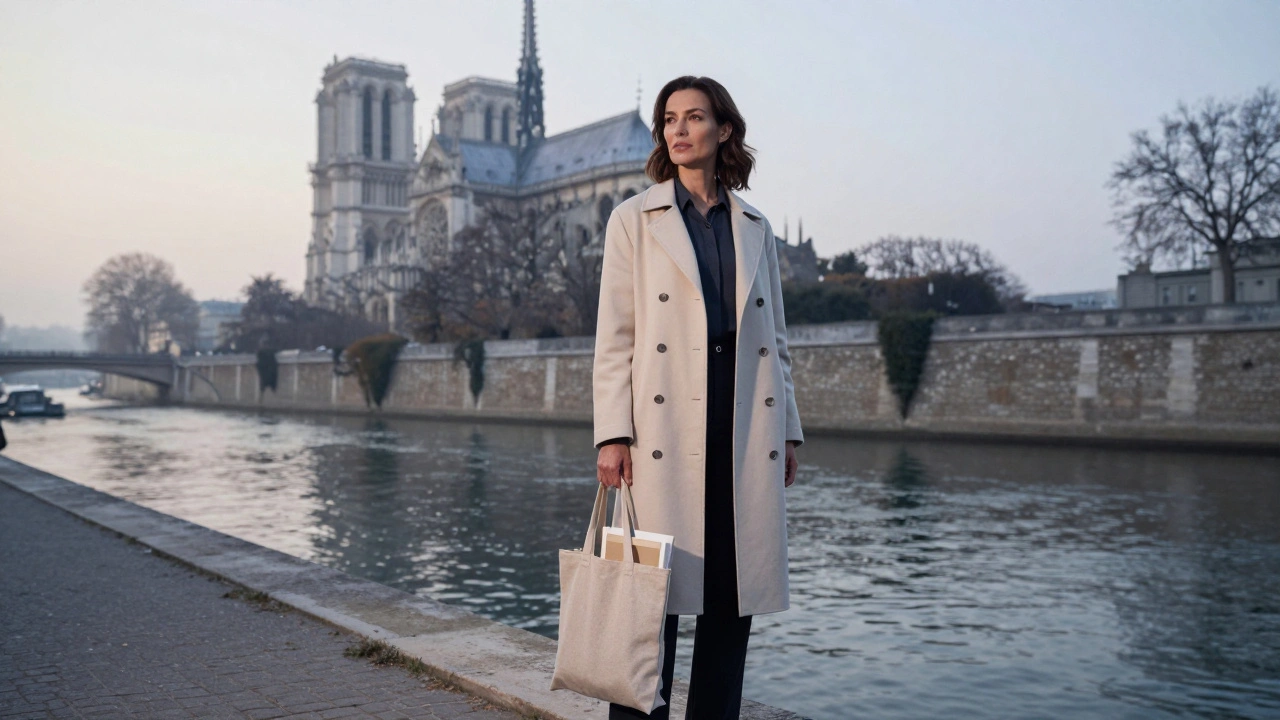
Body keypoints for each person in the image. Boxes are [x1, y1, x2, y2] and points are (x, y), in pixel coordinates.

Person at [593, 76, 803, 720]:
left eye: (693, 117)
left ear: (724, 131)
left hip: (740, 430)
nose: (678, 130)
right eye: (669, 120)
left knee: (729, 608)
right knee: (645, 610)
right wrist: (611, 433)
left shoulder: (756, 226)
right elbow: (616, 334)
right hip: (661, 435)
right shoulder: (634, 217)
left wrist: (788, 430)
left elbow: (776, 341)